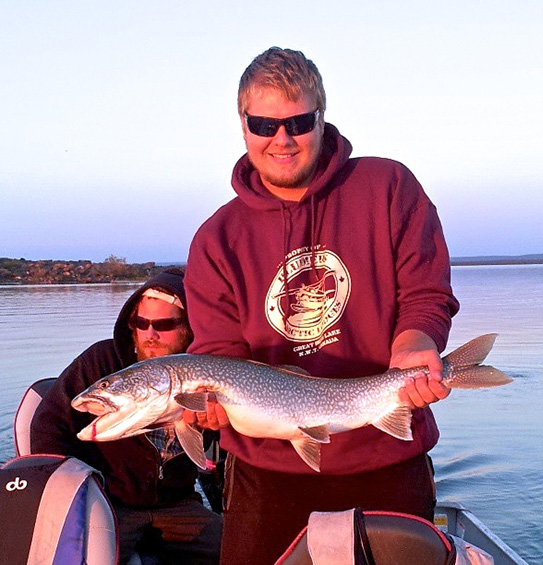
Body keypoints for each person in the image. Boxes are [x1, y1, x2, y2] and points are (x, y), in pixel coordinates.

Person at [183, 47, 460, 564]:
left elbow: (426, 291)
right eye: (264, 123)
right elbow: (218, 351)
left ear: (322, 116)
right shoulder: (216, 239)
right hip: (267, 475)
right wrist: (208, 412)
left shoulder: (387, 186)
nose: (281, 139)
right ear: (242, 124)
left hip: (387, 456)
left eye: (298, 122)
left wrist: (416, 341)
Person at [30, 268, 222, 564]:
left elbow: (216, 455)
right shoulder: (100, 362)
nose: (150, 334)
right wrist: (79, 495)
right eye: (140, 323)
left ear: (188, 328)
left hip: (178, 504)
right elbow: (49, 424)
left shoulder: (208, 371)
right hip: (111, 505)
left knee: (237, 551)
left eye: (164, 324)